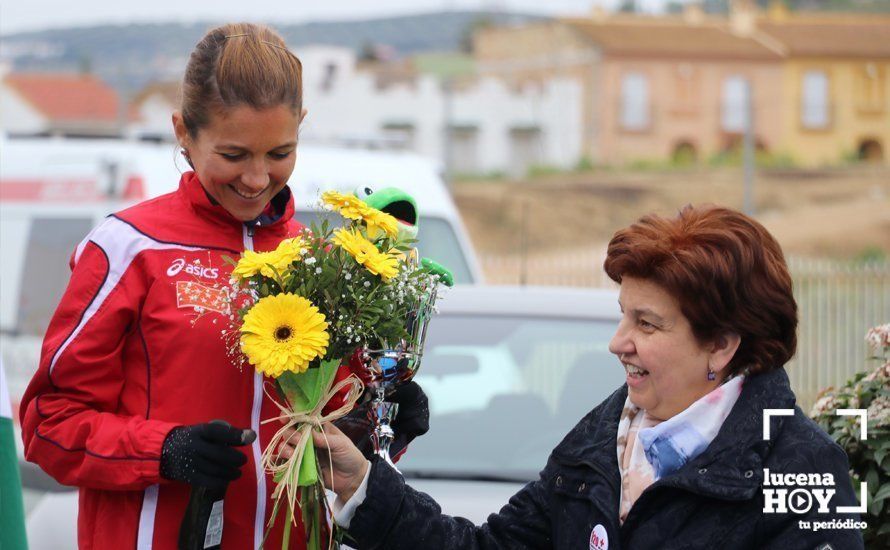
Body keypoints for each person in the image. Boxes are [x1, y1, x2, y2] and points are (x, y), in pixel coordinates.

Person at [19, 23, 425, 550]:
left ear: (301, 126)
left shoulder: (324, 261)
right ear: (183, 132)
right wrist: (163, 449)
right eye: (233, 155)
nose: (256, 178)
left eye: (279, 153)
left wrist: (381, 421)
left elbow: (328, 435)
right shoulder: (129, 248)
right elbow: (48, 424)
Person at [307, 205, 865, 549]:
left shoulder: (801, 467)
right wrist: (365, 486)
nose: (618, 342)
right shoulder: (598, 443)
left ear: (721, 344)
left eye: (646, 323)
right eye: (623, 314)